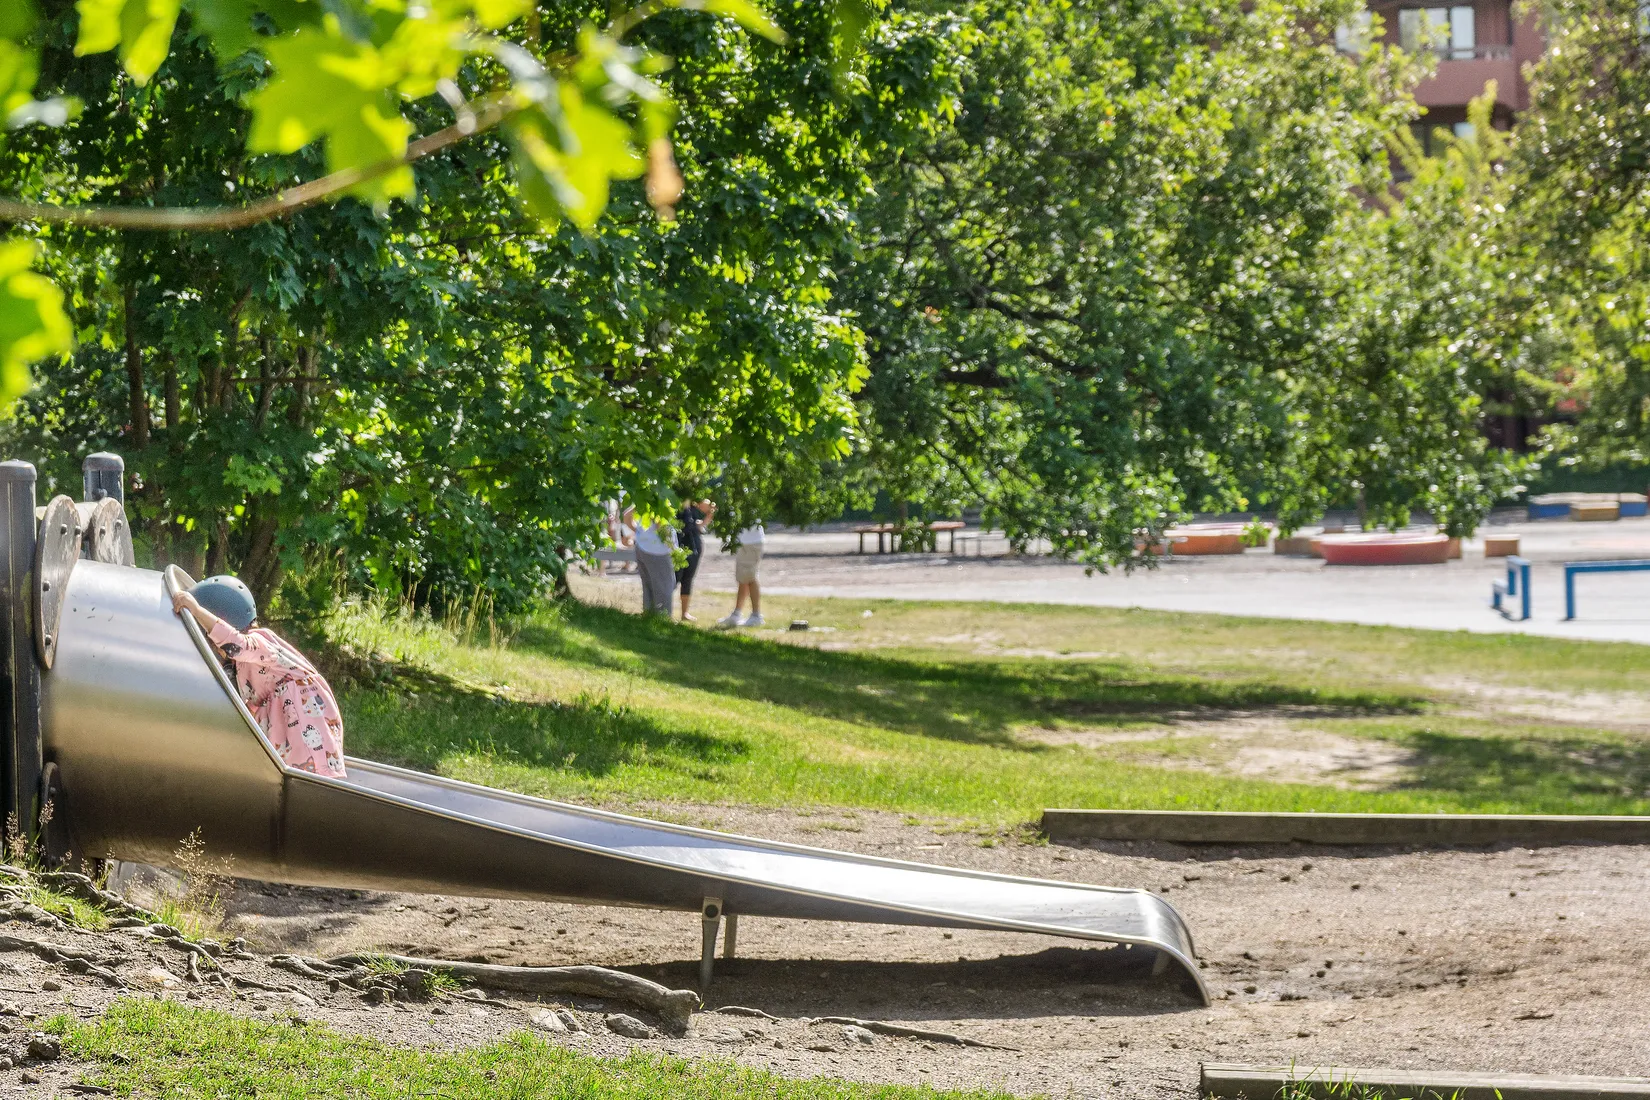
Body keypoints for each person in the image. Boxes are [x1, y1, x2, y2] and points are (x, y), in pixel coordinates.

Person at [171, 576, 346, 778]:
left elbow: (236, 644)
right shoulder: (242, 664)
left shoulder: (260, 642)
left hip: (306, 722)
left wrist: (197, 611)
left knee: (311, 780)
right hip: (284, 725)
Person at [719, 521, 765, 627]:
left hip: (750, 542)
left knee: (750, 578)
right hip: (745, 542)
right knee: (743, 579)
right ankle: (737, 613)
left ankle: (756, 615)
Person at [676, 497, 715, 621]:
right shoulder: (676, 505)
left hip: (693, 544)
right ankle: (663, 609)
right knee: (674, 578)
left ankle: (684, 613)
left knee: (688, 578)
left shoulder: (694, 503)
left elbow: (707, 507)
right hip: (677, 543)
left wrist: (709, 515)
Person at [633, 513, 677, 616]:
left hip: (642, 546)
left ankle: (649, 615)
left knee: (648, 585)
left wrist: (640, 534)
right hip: (658, 549)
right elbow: (660, 524)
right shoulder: (660, 501)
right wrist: (673, 547)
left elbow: (627, 515)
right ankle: (663, 618)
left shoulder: (642, 501)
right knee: (664, 586)